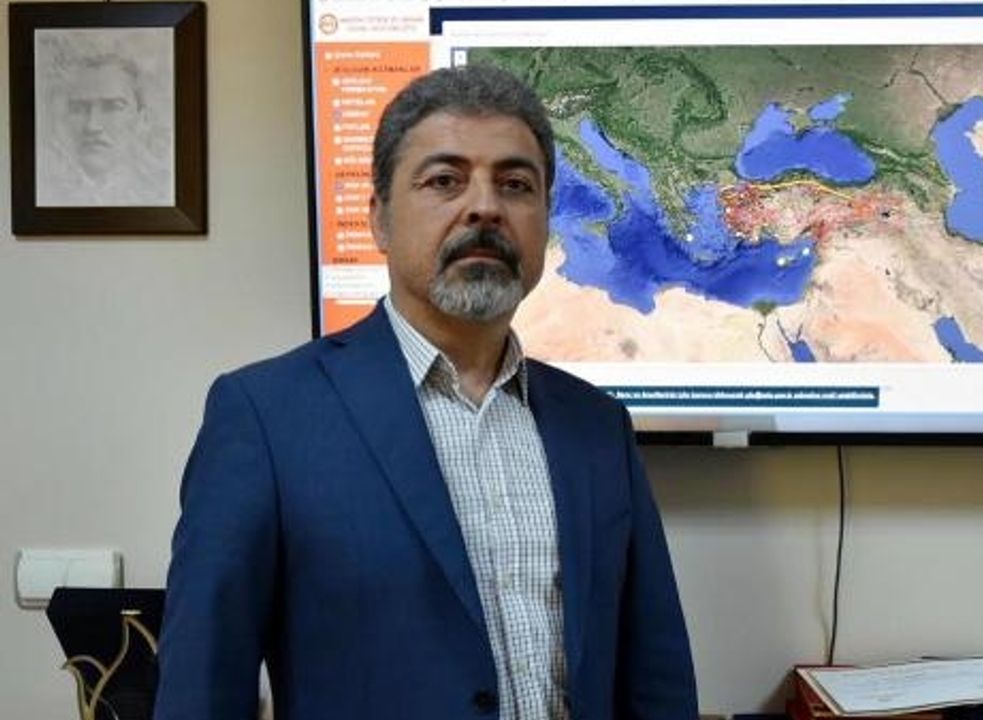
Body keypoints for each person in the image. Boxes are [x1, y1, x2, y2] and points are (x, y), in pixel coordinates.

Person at [153, 64, 698, 719]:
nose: (485, 207)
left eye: (515, 184)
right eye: (444, 180)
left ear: (545, 220)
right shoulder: (266, 417)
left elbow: (656, 679)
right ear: (379, 219)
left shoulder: (596, 424)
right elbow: (201, 688)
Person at [38, 51, 172, 207]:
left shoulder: (163, 190)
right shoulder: (45, 189)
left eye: (112, 107)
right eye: (78, 109)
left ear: (142, 118)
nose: (91, 126)